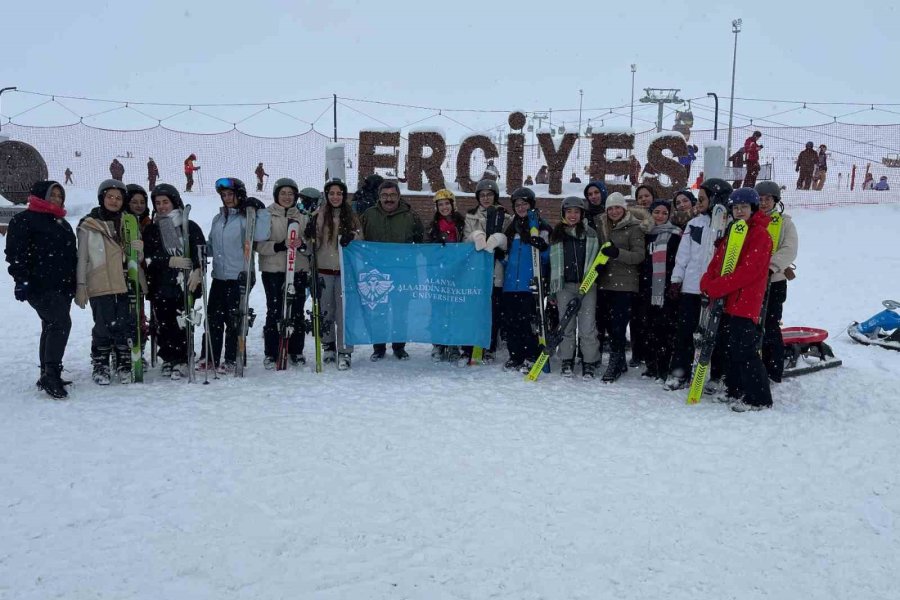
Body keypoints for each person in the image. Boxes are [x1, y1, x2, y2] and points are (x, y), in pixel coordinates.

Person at [700, 187, 773, 412]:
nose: (739, 211)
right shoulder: (733, 231)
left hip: (744, 301)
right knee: (728, 348)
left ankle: (759, 398)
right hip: (725, 301)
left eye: (744, 207)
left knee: (745, 350)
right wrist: (707, 281)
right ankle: (735, 389)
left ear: (752, 208)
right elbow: (718, 260)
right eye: (736, 207)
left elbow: (748, 271)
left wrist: (717, 287)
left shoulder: (760, 234)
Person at [5, 181, 77, 399]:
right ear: (40, 195)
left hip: (62, 286)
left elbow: (70, 254)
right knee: (60, 323)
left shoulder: (61, 222)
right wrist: (21, 280)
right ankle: (51, 374)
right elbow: (15, 253)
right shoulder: (24, 220)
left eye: (59, 195)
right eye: (52, 194)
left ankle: (47, 371)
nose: (56, 199)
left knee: (50, 325)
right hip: (40, 285)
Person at [664, 178, 733, 390]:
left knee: (717, 333)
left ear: (715, 198)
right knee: (685, 331)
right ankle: (680, 372)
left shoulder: (730, 225)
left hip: (718, 290)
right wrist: (676, 280)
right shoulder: (695, 224)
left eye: (702, 198)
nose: (698, 203)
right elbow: (683, 256)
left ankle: (717, 374)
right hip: (692, 288)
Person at [75, 179, 146, 385]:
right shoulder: (89, 224)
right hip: (99, 282)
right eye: (110, 197)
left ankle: (124, 362)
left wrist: (139, 251)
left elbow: (135, 259)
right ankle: (101, 363)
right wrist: (81, 286)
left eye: (118, 198)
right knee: (103, 326)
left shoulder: (128, 221)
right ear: (102, 198)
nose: (114, 201)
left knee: (125, 325)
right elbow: (82, 258)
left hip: (124, 281)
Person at [200, 177, 271, 373]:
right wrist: (199, 248)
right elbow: (213, 246)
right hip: (219, 276)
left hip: (240, 275)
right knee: (213, 318)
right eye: (223, 195)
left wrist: (261, 211)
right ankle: (210, 355)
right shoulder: (218, 218)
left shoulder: (246, 217)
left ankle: (233, 357)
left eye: (230, 194)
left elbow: (262, 235)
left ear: (239, 194)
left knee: (234, 318)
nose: (227, 198)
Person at [142, 184, 206, 380]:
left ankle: (183, 357)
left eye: (165, 202)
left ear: (174, 202)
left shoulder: (189, 226)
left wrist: (198, 270)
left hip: (185, 284)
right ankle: (169, 358)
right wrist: (168, 260)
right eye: (158, 203)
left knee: (183, 321)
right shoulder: (152, 229)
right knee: (164, 323)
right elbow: (149, 258)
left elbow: (201, 252)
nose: (162, 207)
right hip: (162, 284)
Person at [360, 180, 424, 361]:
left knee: (400, 311)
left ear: (399, 196)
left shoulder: (411, 216)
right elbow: (359, 238)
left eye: (392, 195)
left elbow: (422, 242)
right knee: (378, 312)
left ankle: (399, 346)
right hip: (376, 275)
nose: (389, 199)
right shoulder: (368, 215)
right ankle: (378, 347)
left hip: (402, 273)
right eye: (385, 195)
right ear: (379, 197)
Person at [305, 178, 362, 371]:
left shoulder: (351, 216)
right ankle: (328, 346)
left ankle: (344, 351)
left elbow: (361, 238)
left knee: (343, 313)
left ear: (343, 196)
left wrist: (352, 237)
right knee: (326, 311)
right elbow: (311, 246)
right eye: (332, 193)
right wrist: (309, 235)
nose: (335, 197)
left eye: (339, 193)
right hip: (324, 270)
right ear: (326, 195)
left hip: (344, 272)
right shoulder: (318, 215)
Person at [256, 177, 310, 369]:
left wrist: (302, 244)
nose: (287, 197)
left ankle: (296, 350)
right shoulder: (266, 215)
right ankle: (271, 352)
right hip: (274, 270)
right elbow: (258, 245)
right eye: (283, 193)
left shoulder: (304, 217)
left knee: (296, 310)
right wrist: (280, 245)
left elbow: (313, 246)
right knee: (275, 309)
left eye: (291, 193)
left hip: (298, 270)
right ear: (276, 195)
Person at [592, 192, 646, 382]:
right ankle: (620, 360)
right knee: (605, 324)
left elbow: (639, 256)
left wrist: (617, 253)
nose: (614, 211)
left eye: (617, 207)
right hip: (605, 283)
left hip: (625, 286)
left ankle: (614, 363)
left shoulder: (634, 228)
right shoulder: (603, 227)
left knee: (618, 327)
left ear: (624, 208)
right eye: (610, 208)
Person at [549, 196, 601, 379]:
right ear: (563, 213)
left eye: (576, 211)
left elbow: (597, 258)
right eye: (569, 211)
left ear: (582, 214)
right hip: (564, 285)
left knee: (587, 326)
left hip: (587, 284)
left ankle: (589, 361)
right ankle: (567, 359)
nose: (573, 215)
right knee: (566, 325)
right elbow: (552, 265)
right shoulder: (557, 234)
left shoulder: (591, 233)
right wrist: (552, 290)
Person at [499, 187, 550, 373]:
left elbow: (547, 258)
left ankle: (530, 356)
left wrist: (543, 247)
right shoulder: (512, 229)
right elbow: (507, 258)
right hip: (511, 284)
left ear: (531, 205)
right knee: (512, 322)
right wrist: (500, 257)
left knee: (528, 323)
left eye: (524, 204)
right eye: (517, 204)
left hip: (530, 284)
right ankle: (515, 356)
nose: (521, 207)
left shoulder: (541, 227)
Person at [754, 181, 798, 383]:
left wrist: (772, 267)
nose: (763, 203)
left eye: (767, 199)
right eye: (760, 200)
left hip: (774, 280)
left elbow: (789, 249)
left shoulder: (784, 222)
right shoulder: (749, 220)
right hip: (752, 281)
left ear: (775, 201)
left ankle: (773, 368)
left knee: (770, 323)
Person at [464, 178, 512, 365]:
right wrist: (474, 237)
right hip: (476, 270)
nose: (485, 198)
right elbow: (465, 240)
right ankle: (472, 343)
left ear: (495, 197)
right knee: (475, 309)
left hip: (496, 270)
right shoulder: (471, 217)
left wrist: (502, 245)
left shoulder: (506, 217)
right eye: (482, 195)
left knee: (493, 310)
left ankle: (490, 345)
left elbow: (509, 241)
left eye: (489, 195)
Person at [639, 200, 682, 382]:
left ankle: (664, 366)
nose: (660, 216)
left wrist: (673, 284)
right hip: (646, 288)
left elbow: (678, 261)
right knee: (647, 327)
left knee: (664, 329)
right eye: (656, 212)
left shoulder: (675, 235)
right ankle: (651, 365)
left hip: (665, 288)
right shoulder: (644, 233)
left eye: (664, 213)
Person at [426, 189, 466, 363]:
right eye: (440, 205)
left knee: (455, 309)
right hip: (438, 273)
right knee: (439, 310)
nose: (444, 207)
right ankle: (439, 343)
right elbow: (425, 249)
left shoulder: (461, 223)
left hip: (458, 273)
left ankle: (454, 344)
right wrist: (436, 248)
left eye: (446, 204)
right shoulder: (432, 226)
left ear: (452, 204)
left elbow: (467, 243)